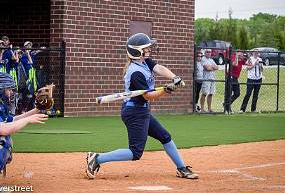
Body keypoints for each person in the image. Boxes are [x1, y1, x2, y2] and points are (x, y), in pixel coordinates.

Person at [86, 33, 198, 180]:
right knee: (135, 153)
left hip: (142, 111)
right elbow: (148, 96)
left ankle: (181, 168)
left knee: (165, 137)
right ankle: (97, 158)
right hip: (134, 113)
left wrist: (174, 78)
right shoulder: (135, 72)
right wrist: (165, 90)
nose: (149, 49)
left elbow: (159, 68)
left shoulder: (144, 62)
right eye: (146, 47)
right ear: (137, 51)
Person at [200, 49, 218, 113]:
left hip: (212, 78)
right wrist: (212, 67)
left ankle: (209, 109)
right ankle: (202, 109)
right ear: (205, 53)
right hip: (206, 79)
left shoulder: (211, 60)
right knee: (204, 93)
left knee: (211, 94)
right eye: (207, 52)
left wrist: (211, 67)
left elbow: (217, 67)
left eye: (210, 52)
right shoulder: (203, 59)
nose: (209, 53)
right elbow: (207, 68)